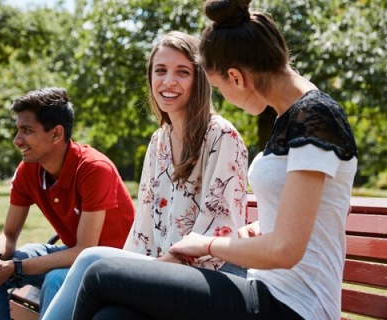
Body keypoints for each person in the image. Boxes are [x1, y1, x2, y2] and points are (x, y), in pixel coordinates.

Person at [71, 0, 358, 319]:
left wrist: (206, 245)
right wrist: (265, 225)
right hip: (262, 290)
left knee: (99, 276)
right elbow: (328, 205)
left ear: (235, 77)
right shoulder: (293, 118)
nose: (221, 98)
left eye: (218, 87)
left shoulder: (315, 117)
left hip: (293, 307)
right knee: (113, 315)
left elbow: (286, 250)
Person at [41, 31, 248, 320]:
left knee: (90, 258)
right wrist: (136, 271)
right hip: (162, 275)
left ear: (199, 79)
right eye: (160, 71)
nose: (169, 81)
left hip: (210, 280)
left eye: (182, 72)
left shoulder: (221, 136)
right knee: (107, 316)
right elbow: (144, 226)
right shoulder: (159, 141)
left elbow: (219, 228)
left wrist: (146, 271)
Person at [0, 87, 135, 320]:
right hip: (74, 255)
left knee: (55, 279)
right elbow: (9, 234)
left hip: (114, 265)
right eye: (17, 130)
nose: (16, 140)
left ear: (56, 134)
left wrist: (15, 268)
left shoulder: (94, 169)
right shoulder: (29, 170)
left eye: (27, 130)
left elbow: (86, 251)